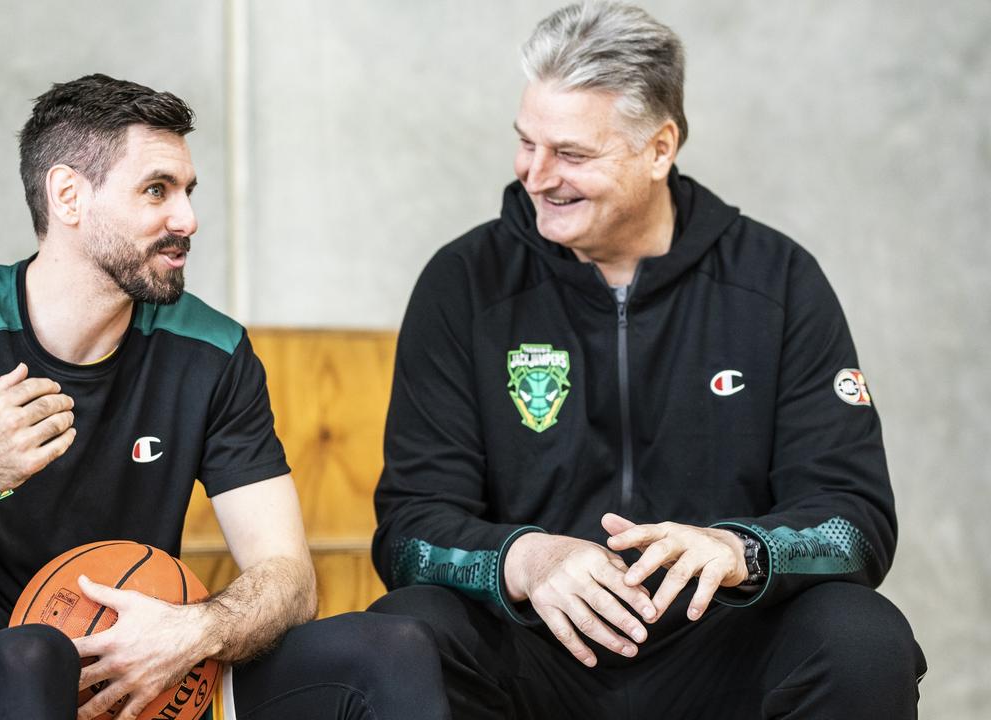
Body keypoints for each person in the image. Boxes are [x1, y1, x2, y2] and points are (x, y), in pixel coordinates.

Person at [0, 74, 448, 720]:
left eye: (188, 190)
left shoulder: (213, 353)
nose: (187, 217)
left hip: (142, 676)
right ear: (68, 197)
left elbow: (289, 580)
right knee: (33, 659)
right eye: (157, 190)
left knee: (390, 649)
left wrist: (195, 631)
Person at [367, 3, 926, 718]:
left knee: (862, 637)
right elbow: (410, 530)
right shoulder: (464, 282)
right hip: (537, 649)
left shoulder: (778, 282)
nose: (536, 176)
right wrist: (526, 560)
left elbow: (855, 521)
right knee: (400, 632)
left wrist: (739, 549)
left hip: (721, 644)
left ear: (660, 148)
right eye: (525, 143)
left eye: (570, 154)